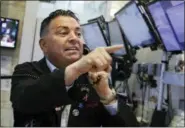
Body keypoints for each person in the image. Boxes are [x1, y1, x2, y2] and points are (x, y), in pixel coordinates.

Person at [10, 9, 139, 127]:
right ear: (44, 45)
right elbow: (25, 100)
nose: (74, 39)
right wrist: (75, 69)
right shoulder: (27, 71)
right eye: (63, 33)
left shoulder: (91, 79)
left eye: (78, 34)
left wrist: (106, 95)